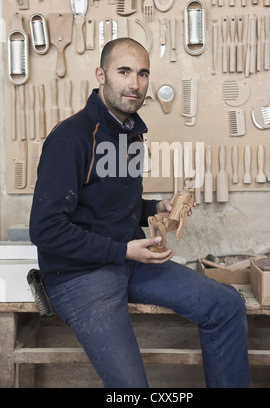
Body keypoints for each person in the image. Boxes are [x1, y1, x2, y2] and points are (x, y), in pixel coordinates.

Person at [29, 37, 249, 388]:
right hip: (78, 277)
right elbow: (46, 229)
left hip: (127, 261)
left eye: (143, 73)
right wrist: (122, 250)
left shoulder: (131, 135)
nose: (135, 83)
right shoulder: (71, 139)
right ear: (101, 75)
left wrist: (153, 207)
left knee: (226, 305)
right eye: (124, 71)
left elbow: (109, 206)